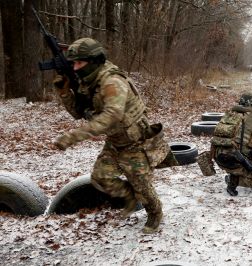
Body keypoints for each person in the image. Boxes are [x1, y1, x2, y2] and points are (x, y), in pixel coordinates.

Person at [52, 37, 172, 234]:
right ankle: (130, 196)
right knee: (100, 178)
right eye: (73, 63)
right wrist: (65, 93)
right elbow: (78, 113)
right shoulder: (88, 82)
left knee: (143, 188)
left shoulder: (112, 81)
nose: (75, 68)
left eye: (79, 63)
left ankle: (155, 213)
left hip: (135, 143)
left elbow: (111, 116)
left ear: (94, 60)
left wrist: (73, 137)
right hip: (115, 141)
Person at [211, 92, 252, 196]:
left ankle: (235, 175)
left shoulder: (230, 114)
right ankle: (233, 179)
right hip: (237, 162)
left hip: (220, 158)